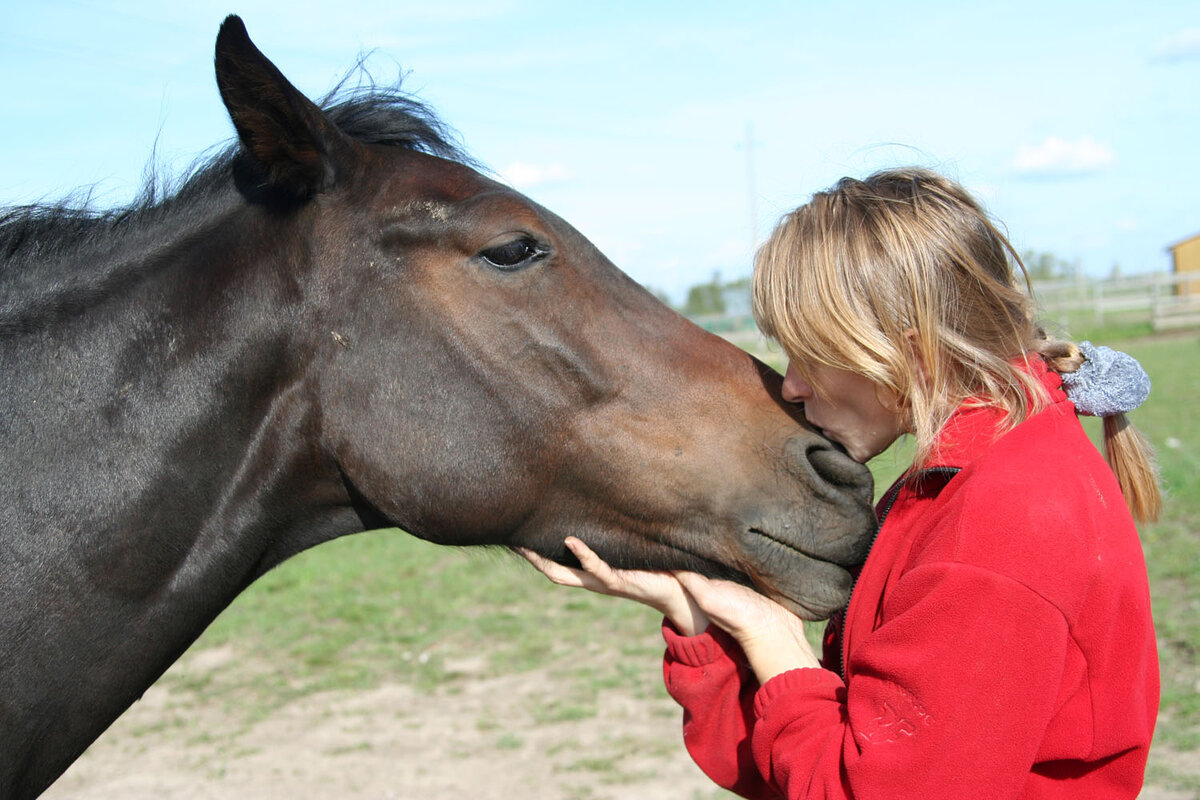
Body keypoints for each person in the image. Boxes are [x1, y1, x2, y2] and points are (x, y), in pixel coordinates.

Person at [521, 168, 1161, 799]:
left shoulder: (997, 522)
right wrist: (699, 615)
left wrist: (773, 639)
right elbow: (814, 761)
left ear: (909, 353)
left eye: (809, 355)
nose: (792, 386)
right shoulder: (979, 473)